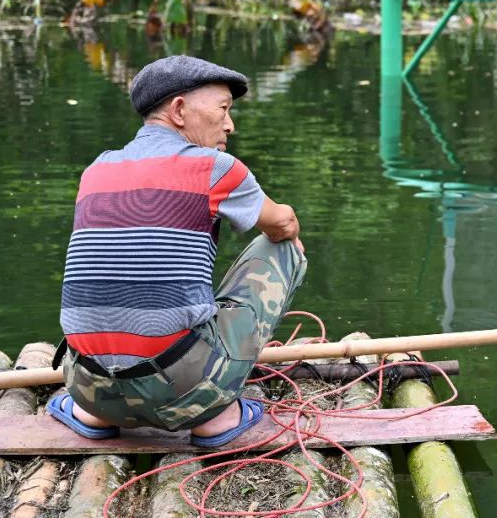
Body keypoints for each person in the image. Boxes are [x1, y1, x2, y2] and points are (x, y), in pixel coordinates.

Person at [49, 55, 307, 447]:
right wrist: (287, 228)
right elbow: (283, 223)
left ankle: (95, 413)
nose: (230, 124)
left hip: (86, 386)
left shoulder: (96, 170)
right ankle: (215, 416)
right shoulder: (216, 167)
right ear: (180, 110)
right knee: (280, 244)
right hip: (183, 391)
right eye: (223, 109)